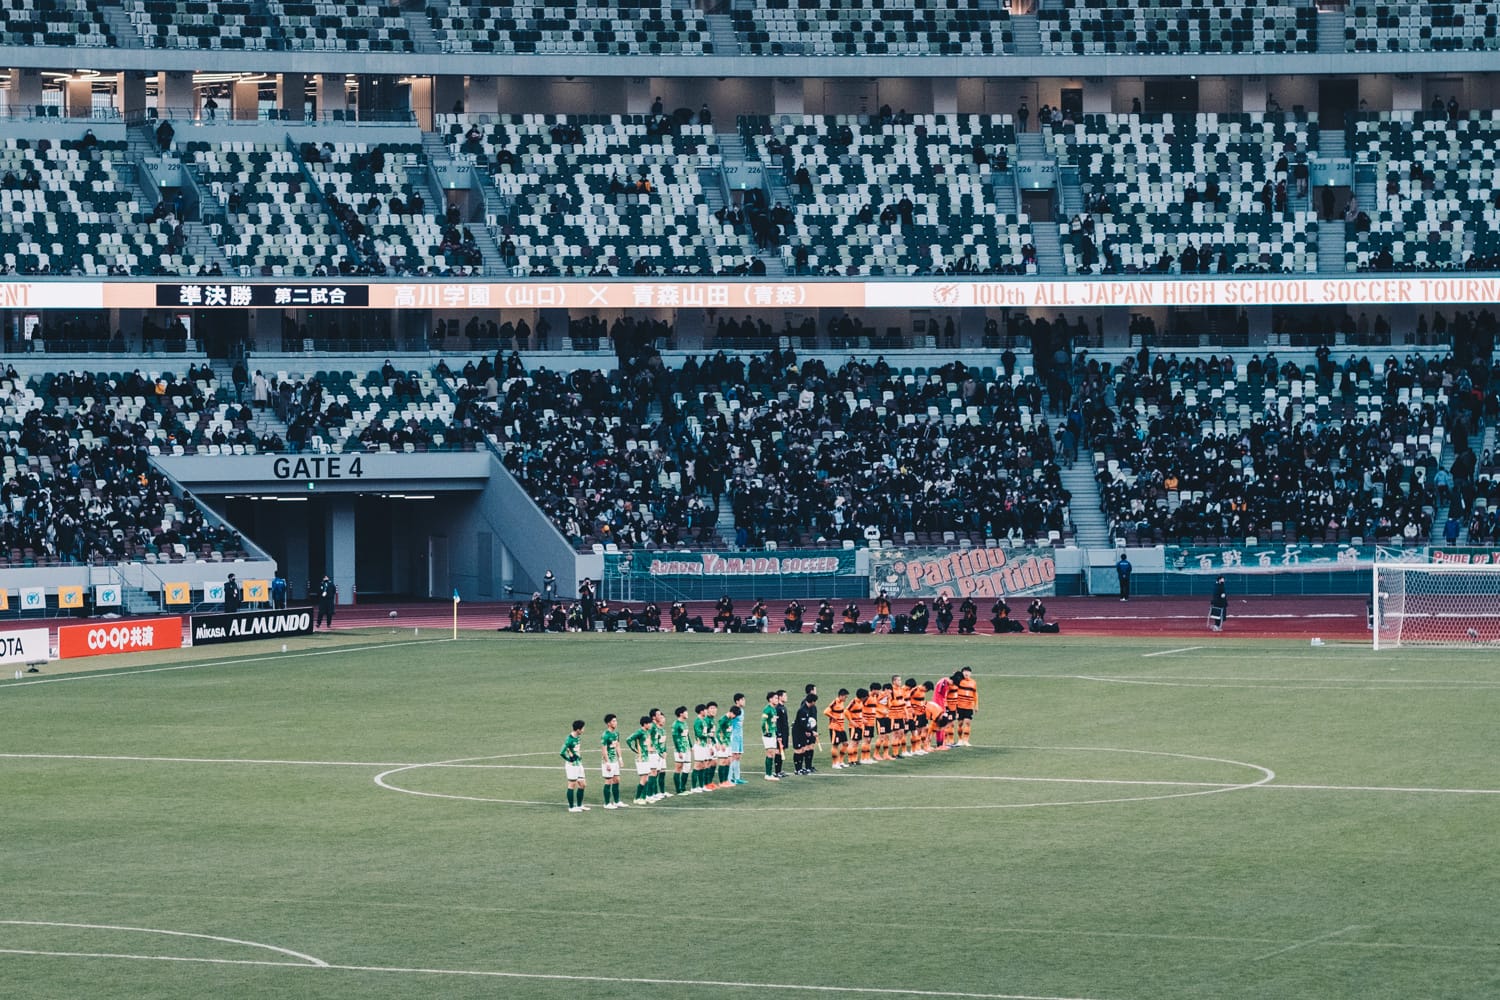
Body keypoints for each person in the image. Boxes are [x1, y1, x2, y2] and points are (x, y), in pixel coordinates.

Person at [562, 719, 589, 812]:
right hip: (572, 766)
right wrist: (569, 759)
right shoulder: (569, 739)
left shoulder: (578, 737)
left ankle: (579, 805)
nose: (584, 730)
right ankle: (571, 807)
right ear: (578, 729)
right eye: (583, 728)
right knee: (571, 785)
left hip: (579, 764)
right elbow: (562, 752)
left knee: (582, 784)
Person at [626, 714, 654, 806]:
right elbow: (628, 739)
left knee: (646, 778)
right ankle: (637, 798)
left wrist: (648, 749)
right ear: (644, 724)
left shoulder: (647, 732)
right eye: (649, 723)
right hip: (641, 758)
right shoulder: (639, 732)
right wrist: (635, 750)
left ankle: (643, 797)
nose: (650, 725)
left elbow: (645, 743)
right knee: (644, 779)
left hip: (646, 757)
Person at [599, 714, 625, 809]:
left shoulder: (616, 733)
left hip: (615, 761)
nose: (616, 723)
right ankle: (606, 803)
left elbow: (617, 745)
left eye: (616, 721)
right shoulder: (605, 735)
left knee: (617, 780)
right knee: (608, 781)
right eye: (613, 721)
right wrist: (607, 763)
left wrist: (620, 758)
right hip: (608, 762)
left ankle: (617, 801)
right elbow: (604, 750)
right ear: (608, 723)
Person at [792, 692, 820, 775]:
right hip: (797, 732)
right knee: (798, 750)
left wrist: (809, 732)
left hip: (802, 732)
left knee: (803, 749)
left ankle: (801, 768)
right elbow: (802, 724)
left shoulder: (807, 709)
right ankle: (797, 770)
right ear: (812, 702)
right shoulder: (803, 710)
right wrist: (812, 732)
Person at [952, 666, 978, 747]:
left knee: (967, 723)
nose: (966, 673)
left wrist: (976, 705)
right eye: (965, 671)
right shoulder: (959, 681)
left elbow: (975, 694)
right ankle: (960, 740)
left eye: (968, 671)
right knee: (960, 724)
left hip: (969, 706)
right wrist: (955, 674)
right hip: (960, 705)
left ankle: (966, 740)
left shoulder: (973, 682)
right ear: (962, 673)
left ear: (970, 673)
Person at [825, 688, 849, 768]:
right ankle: (834, 763)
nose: (846, 698)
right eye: (845, 697)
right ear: (841, 696)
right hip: (834, 727)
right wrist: (833, 717)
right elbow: (826, 711)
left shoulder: (842, 703)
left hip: (841, 728)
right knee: (835, 745)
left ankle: (841, 761)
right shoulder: (834, 702)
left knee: (845, 744)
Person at [670, 705, 692, 794]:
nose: (687, 713)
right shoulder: (676, 724)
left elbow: (687, 736)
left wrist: (691, 746)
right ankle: (678, 790)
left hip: (687, 749)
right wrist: (679, 751)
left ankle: (683, 787)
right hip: (680, 750)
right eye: (686, 712)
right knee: (678, 768)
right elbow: (675, 738)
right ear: (681, 714)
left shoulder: (685, 723)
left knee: (687, 768)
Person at [760, 691, 781, 780]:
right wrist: (766, 732)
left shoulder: (774, 709)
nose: (777, 700)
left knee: (773, 754)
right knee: (770, 753)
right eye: (775, 698)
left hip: (773, 733)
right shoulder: (767, 709)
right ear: (770, 699)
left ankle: (769, 774)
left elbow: (773, 723)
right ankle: (768, 774)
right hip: (768, 734)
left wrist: (776, 732)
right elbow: (763, 721)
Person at [727, 693, 747, 784]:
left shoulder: (742, 711)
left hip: (740, 737)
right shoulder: (734, 710)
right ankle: (729, 778)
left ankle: (737, 778)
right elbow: (728, 720)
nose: (744, 701)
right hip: (734, 736)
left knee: (738, 757)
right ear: (737, 701)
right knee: (733, 757)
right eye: (742, 699)